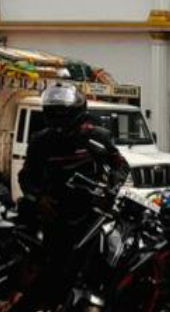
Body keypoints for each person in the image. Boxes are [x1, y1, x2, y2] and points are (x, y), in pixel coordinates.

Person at [18, 83, 129, 227]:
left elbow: (121, 165)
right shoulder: (40, 141)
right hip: (53, 213)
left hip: (90, 212)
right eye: (53, 110)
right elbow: (26, 176)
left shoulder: (98, 136)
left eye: (61, 111)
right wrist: (39, 198)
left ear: (75, 110)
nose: (57, 115)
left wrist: (111, 190)